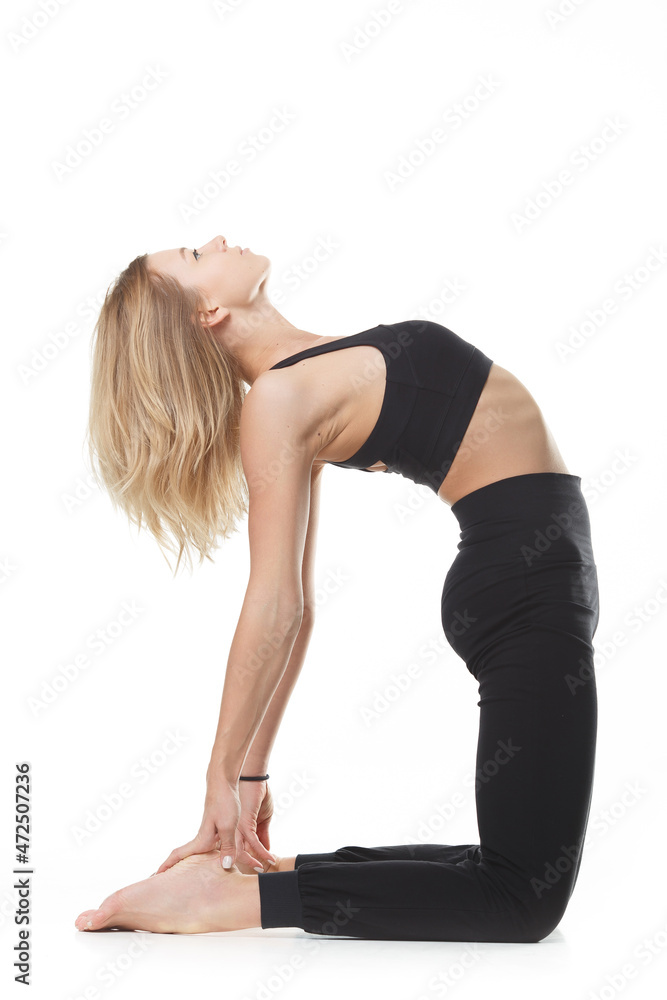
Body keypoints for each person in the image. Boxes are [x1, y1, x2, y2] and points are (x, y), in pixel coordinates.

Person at [76, 235, 599, 941]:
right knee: (521, 898)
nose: (217, 241)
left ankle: (264, 877)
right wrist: (220, 777)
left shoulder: (302, 373)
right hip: (523, 585)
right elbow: (274, 601)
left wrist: (252, 776)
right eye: (196, 257)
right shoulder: (277, 401)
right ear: (205, 312)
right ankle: (229, 904)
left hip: (532, 577)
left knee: (512, 872)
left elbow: (300, 609)